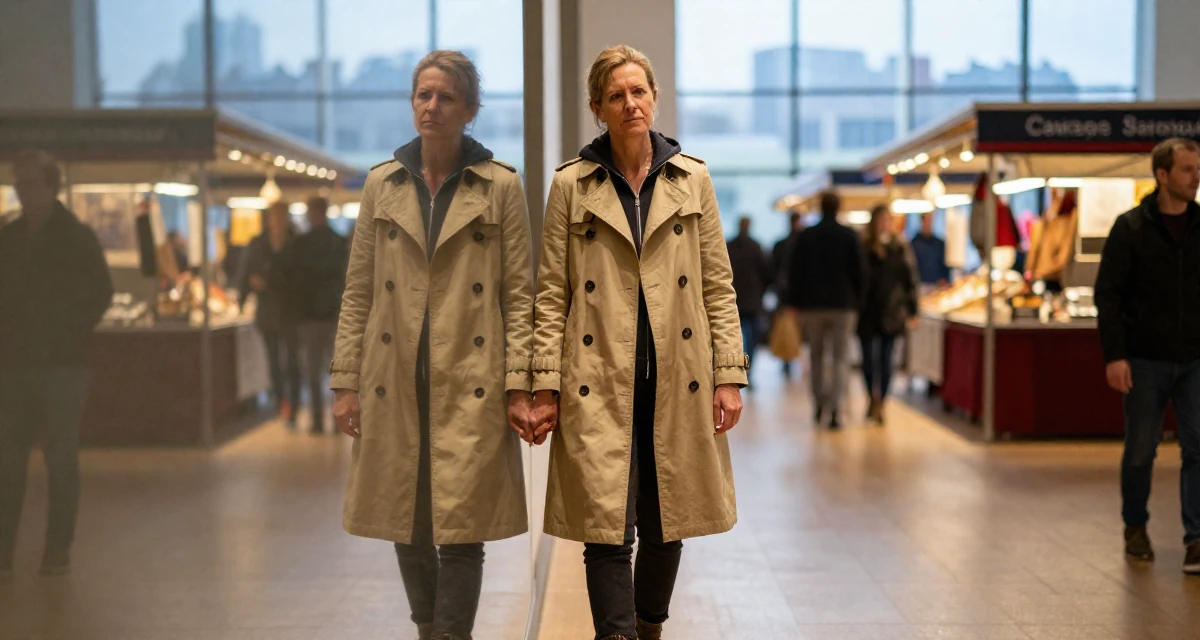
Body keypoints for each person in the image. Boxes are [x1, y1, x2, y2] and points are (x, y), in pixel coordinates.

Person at [528, 45, 746, 640]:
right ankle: (616, 634)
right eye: (617, 95)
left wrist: (728, 373)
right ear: (598, 107)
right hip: (598, 377)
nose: (631, 104)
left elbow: (717, 286)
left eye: (639, 92)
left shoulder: (691, 178)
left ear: (654, 98)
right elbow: (551, 293)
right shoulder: (571, 186)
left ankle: (649, 626)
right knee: (604, 525)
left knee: (667, 518)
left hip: (678, 375)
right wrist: (543, 385)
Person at [329, 50, 534, 640]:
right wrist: (346, 381)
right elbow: (359, 292)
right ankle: (430, 629)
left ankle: (450, 635)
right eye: (423, 95)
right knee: (406, 519)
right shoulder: (382, 185)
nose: (432, 106)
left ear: (470, 109)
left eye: (446, 97)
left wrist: (519, 384)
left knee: (463, 528)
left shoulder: (500, 187)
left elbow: (519, 296)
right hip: (394, 376)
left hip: (469, 377)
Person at [0, 151, 114, 578]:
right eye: (18, 183)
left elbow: (98, 293)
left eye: (29, 183)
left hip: (61, 365)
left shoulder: (75, 238)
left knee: (60, 457)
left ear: (50, 187)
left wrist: (67, 331)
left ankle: (56, 546)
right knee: (7, 461)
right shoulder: (9, 239)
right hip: (14, 365)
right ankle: (5, 548)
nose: (21, 191)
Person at [1095, 137, 1200, 575]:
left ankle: (1196, 538)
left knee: (1199, 448)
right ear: (1162, 175)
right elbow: (1109, 295)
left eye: (1197, 170)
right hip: (1144, 360)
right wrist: (1115, 356)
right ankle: (1134, 526)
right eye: (1187, 170)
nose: (1196, 178)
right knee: (1141, 449)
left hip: (1196, 359)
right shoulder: (1131, 228)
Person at [785, 190, 865, 429]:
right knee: (840, 357)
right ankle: (836, 409)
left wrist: (794, 303)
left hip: (812, 306)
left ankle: (819, 404)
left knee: (816, 355)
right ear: (839, 208)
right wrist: (858, 302)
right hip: (843, 306)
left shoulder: (806, 236)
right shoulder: (849, 236)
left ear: (820, 208)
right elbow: (860, 272)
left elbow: (795, 272)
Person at [238, 201, 301, 428]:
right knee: (274, 361)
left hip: (290, 311)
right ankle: (280, 403)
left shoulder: (295, 244)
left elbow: (300, 278)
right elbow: (245, 273)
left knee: (291, 361)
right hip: (268, 312)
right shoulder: (259, 244)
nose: (278, 220)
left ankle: (291, 405)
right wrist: (246, 291)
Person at [290, 196, 348, 435]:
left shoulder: (302, 244)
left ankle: (318, 420)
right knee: (332, 372)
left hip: (313, 315)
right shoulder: (337, 242)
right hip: (331, 313)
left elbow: (295, 281)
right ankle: (334, 421)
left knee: (315, 371)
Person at [858, 204, 918, 425]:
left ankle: (881, 400)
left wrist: (913, 309)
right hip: (867, 312)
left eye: (888, 220)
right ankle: (871, 397)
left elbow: (909, 279)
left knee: (886, 360)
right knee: (868, 360)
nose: (885, 224)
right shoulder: (864, 247)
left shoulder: (899, 248)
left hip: (891, 312)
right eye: (882, 220)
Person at [726, 216, 770, 379]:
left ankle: (734, 368)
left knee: (733, 336)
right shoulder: (756, 246)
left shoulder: (728, 246)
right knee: (752, 337)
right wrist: (761, 292)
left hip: (733, 297)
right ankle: (748, 368)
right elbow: (766, 273)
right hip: (752, 299)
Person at [771, 212, 804, 378]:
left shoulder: (781, 244)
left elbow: (772, 270)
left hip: (784, 295)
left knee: (786, 328)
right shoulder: (802, 244)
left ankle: (788, 359)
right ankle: (794, 358)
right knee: (796, 328)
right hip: (799, 295)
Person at [910, 212, 949, 286]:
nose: (929, 223)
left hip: (937, 284)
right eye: (927, 220)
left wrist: (944, 278)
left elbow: (944, 264)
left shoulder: (939, 243)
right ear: (922, 221)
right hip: (921, 285)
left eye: (931, 220)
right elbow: (913, 268)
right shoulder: (914, 243)